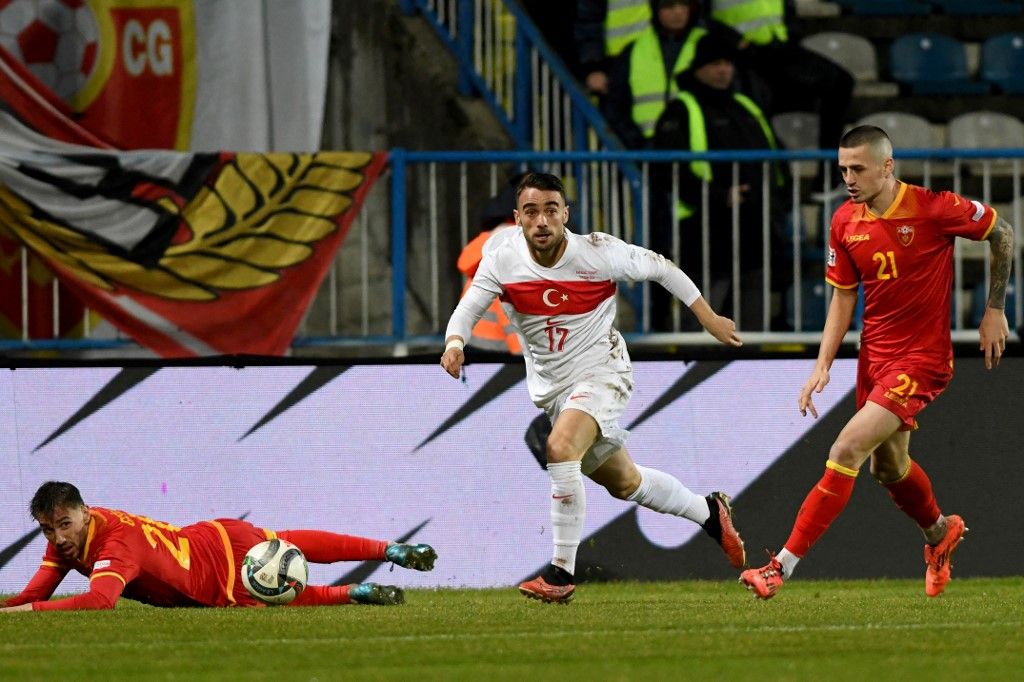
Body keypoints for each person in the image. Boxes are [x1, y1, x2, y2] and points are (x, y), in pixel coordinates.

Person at [440, 172, 747, 603]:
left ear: (566, 214)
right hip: (554, 390)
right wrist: (455, 343)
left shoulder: (598, 253)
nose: (542, 220)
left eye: (551, 209)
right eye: (531, 211)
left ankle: (561, 574)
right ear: (517, 218)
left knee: (560, 449)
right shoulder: (502, 259)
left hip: (604, 372)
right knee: (626, 482)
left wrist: (709, 318)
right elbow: (468, 308)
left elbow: (662, 268)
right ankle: (709, 511)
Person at [739, 126, 1014, 599]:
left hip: (922, 359)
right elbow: (843, 299)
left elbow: (1002, 233)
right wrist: (823, 364)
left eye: (858, 168)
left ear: (887, 166)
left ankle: (779, 567)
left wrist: (994, 308)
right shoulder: (844, 221)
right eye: (843, 168)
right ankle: (939, 532)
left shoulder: (933, 207)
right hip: (875, 358)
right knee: (888, 468)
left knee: (847, 448)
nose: (848, 177)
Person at [0, 481, 438, 612]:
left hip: (214, 578)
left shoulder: (114, 543)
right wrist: (12, 609)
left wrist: (26, 613)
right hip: (214, 534)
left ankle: (350, 593)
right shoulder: (74, 535)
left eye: (64, 524)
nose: (57, 538)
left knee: (275, 591)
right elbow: (34, 593)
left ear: (86, 513)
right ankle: (388, 549)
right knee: (285, 544)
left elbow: (99, 601)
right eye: (47, 529)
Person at [651, 31, 789, 331]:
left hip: (755, 226)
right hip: (706, 230)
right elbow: (669, 170)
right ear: (698, 67)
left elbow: (776, 159)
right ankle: (692, 372)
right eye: (715, 63)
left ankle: (752, 372)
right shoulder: (681, 110)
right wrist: (720, 196)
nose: (724, 69)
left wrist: (778, 201)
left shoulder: (746, 105)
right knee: (702, 315)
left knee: (754, 316)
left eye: (727, 62)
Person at [603, 0, 708, 150]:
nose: (678, 12)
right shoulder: (634, 50)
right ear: (656, 10)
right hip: (648, 148)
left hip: (699, 145)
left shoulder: (709, 44)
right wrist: (636, 143)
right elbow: (616, 106)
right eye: (669, 6)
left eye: (684, 5)